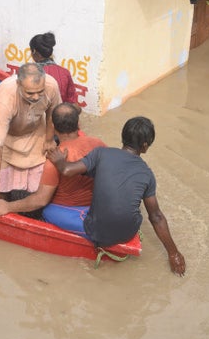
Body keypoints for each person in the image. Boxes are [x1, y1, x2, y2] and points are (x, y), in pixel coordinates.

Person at [49, 116, 186, 276]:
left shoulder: (102, 154)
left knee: (47, 211)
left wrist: (59, 161)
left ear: (123, 136)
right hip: (127, 232)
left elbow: (67, 170)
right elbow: (156, 216)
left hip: (97, 231)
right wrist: (174, 253)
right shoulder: (147, 174)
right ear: (145, 146)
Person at [0, 103, 105, 228]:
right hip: (93, 204)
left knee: (25, 197)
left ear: (53, 127)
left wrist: (7, 206)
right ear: (78, 124)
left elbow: (41, 200)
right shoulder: (98, 143)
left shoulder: (54, 160)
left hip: (65, 209)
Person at [0, 63, 61, 208]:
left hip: (35, 128)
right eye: (30, 93)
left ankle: (32, 204)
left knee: (41, 174)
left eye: (40, 91)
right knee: (0, 184)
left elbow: (52, 115)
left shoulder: (51, 86)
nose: (36, 97)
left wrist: (49, 140)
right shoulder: (5, 99)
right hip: (6, 135)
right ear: (18, 84)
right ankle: (3, 198)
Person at [30, 32, 77, 104]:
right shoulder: (65, 72)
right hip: (59, 114)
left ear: (34, 51)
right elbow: (72, 102)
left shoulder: (28, 73)